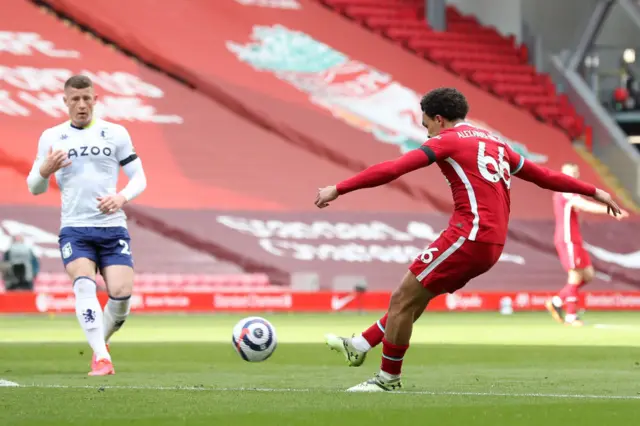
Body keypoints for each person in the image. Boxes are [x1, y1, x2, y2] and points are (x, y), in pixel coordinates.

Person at [314, 87, 621, 392]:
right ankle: (361, 342)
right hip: (491, 242)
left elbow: (394, 168)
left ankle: (387, 380)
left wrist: (339, 188)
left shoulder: (446, 141)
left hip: (470, 235)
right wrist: (595, 190)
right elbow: (543, 176)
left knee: (402, 298)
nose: (428, 134)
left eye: (426, 126)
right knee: (414, 298)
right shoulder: (495, 142)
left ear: (438, 119)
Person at [27, 75, 147, 376]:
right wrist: (45, 170)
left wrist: (121, 197)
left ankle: (100, 345)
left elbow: (140, 178)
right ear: (65, 101)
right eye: (75, 99)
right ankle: (102, 359)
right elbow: (35, 187)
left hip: (112, 226)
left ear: (95, 100)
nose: (82, 105)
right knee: (83, 283)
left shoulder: (115, 133)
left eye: (87, 99)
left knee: (121, 296)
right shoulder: (51, 137)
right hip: (75, 227)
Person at [545, 163, 628, 326]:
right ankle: (571, 316)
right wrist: (609, 209)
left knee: (588, 274)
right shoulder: (565, 192)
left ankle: (556, 301)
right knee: (575, 275)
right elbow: (584, 205)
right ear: (562, 174)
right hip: (567, 238)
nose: (573, 176)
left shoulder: (570, 192)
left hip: (575, 238)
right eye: (569, 173)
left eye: (575, 173)